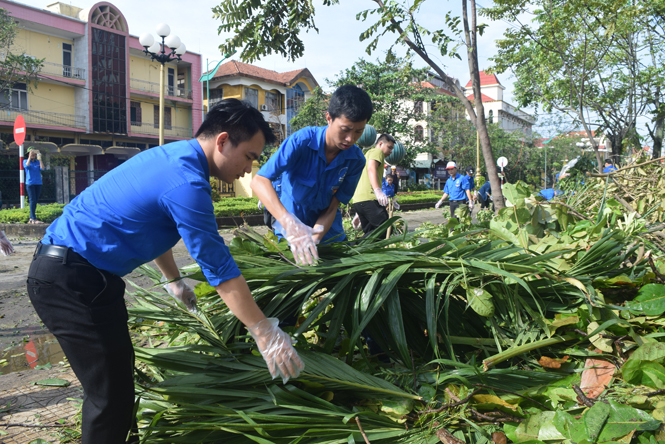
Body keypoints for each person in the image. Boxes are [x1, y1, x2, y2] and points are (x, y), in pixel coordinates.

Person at [26, 99, 304, 444]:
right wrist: (263, 331)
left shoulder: (175, 159)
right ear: (222, 141)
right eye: (249, 156)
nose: (249, 169)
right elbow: (218, 267)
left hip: (83, 277)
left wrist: (173, 279)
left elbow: (151, 227)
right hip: (70, 279)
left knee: (116, 384)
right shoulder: (187, 181)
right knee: (110, 397)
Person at [252, 85, 373, 264]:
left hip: (328, 231)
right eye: (345, 129)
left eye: (358, 131)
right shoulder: (301, 141)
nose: (350, 139)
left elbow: (333, 207)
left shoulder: (356, 160)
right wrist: (290, 225)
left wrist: (314, 238)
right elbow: (259, 180)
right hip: (291, 228)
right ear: (329, 118)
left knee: (340, 279)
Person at [350, 134, 395, 236]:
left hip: (359, 201)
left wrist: (359, 212)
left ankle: (358, 250)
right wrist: (377, 191)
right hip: (369, 199)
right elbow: (371, 168)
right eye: (389, 147)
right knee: (386, 229)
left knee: (371, 233)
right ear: (380, 144)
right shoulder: (377, 152)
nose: (391, 151)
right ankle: (352, 248)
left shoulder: (367, 154)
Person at [23, 147, 45, 224]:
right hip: (30, 184)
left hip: (38, 183)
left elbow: (42, 168)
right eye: (31, 153)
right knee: (32, 200)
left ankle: (32, 218)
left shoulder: (37, 162)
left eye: (34, 154)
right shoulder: (25, 161)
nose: (33, 155)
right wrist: (29, 157)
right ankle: (32, 218)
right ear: (28, 154)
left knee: (35, 201)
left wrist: (40, 158)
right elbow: (27, 166)